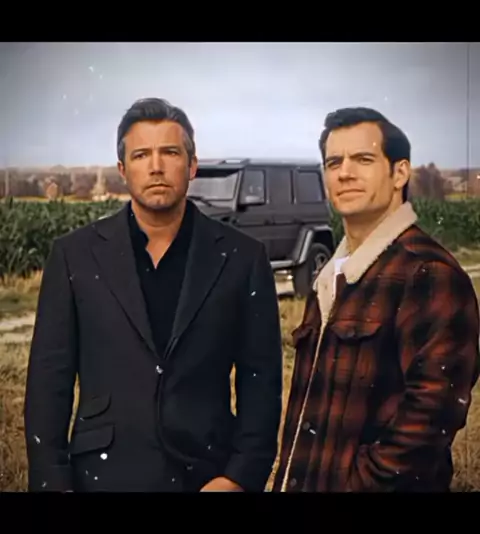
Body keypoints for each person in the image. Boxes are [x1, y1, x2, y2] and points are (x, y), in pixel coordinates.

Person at [23, 97, 283, 492]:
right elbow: (48, 383)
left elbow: (261, 380)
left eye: (170, 152)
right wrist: (53, 484)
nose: (156, 166)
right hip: (102, 479)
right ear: (122, 170)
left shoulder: (243, 258)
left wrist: (238, 477)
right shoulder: (74, 255)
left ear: (192, 165)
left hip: (206, 476)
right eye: (141, 154)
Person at [272, 106, 480, 492]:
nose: (345, 172)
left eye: (363, 159)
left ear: (399, 173)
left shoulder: (428, 273)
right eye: (334, 162)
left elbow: (429, 423)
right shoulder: (330, 276)